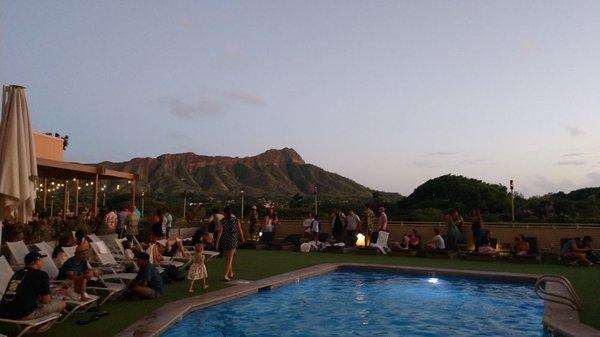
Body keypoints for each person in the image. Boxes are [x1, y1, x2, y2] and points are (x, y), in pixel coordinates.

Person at [0, 252, 66, 322]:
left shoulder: (18, 273)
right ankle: (39, 326)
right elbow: (46, 300)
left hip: (4, 311)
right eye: (41, 260)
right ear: (36, 261)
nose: (42, 262)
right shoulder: (41, 274)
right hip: (23, 314)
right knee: (61, 303)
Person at [215, 207, 244, 281]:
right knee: (230, 258)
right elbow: (239, 230)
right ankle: (225, 275)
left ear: (224, 213)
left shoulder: (223, 221)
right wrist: (242, 238)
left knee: (228, 258)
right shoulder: (236, 220)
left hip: (225, 239)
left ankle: (231, 273)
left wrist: (217, 242)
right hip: (233, 238)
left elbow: (220, 232)